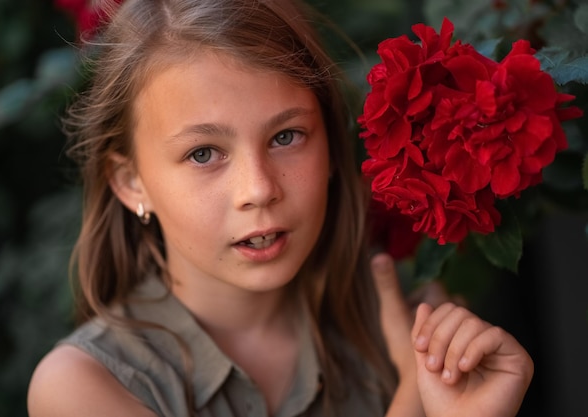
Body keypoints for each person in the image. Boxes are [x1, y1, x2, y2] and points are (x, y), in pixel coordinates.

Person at [27, 0, 534, 416]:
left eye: (286, 136)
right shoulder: (82, 388)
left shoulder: (407, 325)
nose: (259, 189)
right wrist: (411, 404)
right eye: (203, 153)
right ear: (130, 182)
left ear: (333, 148)